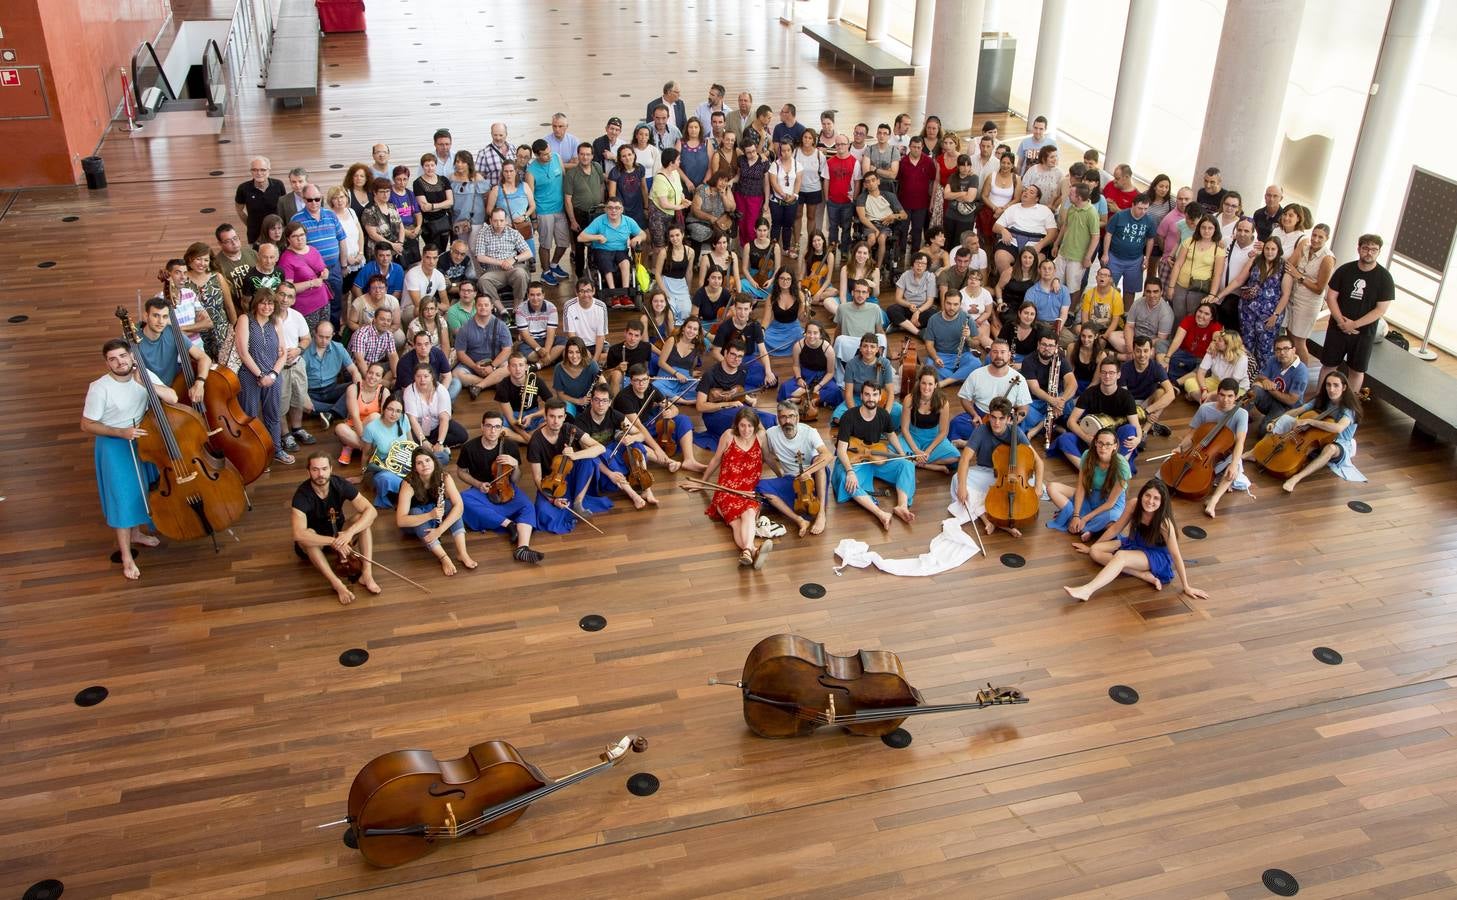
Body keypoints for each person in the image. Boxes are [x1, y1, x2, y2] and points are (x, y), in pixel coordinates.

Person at [81, 339, 180, 581]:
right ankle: (126, 557)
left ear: (132, 356)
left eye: (123, 356)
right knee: (122, 498)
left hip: (143, 440)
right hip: (115, 444)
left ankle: (136, 534)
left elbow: (173, 398)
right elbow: (86, 424)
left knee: (143, 491)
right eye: (113, 359)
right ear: (107, 362)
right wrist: (120, 433)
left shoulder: (143, 375)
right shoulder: (99, 388)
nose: (119, 362)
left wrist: (147, 384)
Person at [1063, 479, 1207, 604]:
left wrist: (1186, 586)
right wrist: (1091, 547)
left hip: (1155, 555)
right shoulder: (1133, 504)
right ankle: (1142, 574)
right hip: (1134, 543)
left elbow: (1175, 555)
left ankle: (1087, 590)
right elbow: (1115, 529)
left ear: (1162, 502)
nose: (1150, 501)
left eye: (1156, 498)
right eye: (1147, 495)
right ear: (1142, 494)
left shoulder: (1164, 523)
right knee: (1095, 551)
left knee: (1121, 557)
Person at [683, 407, 774, 567]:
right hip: (727, 491)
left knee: (748, 514)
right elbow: (715, 460)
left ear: (755, 426)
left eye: (750, 426)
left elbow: (768, 458)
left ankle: (748, 551)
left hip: (749, 491)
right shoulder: (728, 436)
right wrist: (702, 483)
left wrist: (782, 476)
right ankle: (751, 549)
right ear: (736, 425)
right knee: (736, 522)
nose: (746, 430)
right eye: (743, 425)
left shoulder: (760, 436)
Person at [1251, 370, 1366, 493]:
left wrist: (1311, 421)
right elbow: (1297, 411)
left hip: (1339, 442)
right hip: (1318, 435)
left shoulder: (1349, 409)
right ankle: (1254, 452)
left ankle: (1297, 478)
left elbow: (1338, 428)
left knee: (1330, 449)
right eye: (1328, 385)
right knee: (1286, 420)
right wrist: (1276, 420)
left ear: (1344, 387)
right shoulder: (1322, 399)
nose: (1331, 389)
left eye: (1336, 385)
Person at [291, 452, 382, 605]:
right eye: (315, 469)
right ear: (308, 472)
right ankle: (336, 583)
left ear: (331, 469)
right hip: (318, 541)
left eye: (324, 469)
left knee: (362, 519)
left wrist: (349, 533)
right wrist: (334, 541)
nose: (320, 474)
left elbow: (371, 511)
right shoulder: (302, 495)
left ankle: (366, 573)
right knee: (308, 536)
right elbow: (298, 534)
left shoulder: (339, 484)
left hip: (338, 532)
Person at [453, 410, 544, 562]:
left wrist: (515, 465)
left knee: (528, 506)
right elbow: (460, 472)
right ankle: (509, 524)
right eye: (489, 426)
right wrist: (478, 484)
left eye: (497, 427)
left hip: (507, 487)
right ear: (482, 426)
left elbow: (516, 478)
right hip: (482, 490)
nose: (493, 431)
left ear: (502, 428)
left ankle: (522, 547)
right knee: (463, 499)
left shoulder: (510, 446)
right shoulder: (469, 448)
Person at [952, 395, 1044, 537]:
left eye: (1001, 419)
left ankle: (991, 515)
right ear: (989, 416)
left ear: (1008, 419)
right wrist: (962, 487)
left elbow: (1039, 462)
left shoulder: (1016, 432)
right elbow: (965, 459)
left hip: (1012, 475)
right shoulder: (981, 430)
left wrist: (1037, 487)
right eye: (993, 417)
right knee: (957, 480)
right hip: (986, 473)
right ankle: (990, 520)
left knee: (1040, 487)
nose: (996, 423)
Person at [833, 382, 917, 530]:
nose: (870, 398)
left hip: (874, 458)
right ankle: (880, 514)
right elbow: (841, 450)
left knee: (907, 464)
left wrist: (902, 455)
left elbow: (891, 436)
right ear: (861, 396)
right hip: (854, 460)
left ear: (879, 397)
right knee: (846, 480)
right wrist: (850, 471)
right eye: (867, 394)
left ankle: (902, 506)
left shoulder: (883, 414)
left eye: (874, 394)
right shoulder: (849, 416)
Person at [1319, 234, 1394, 397]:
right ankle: (1321, 400)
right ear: (1359, 249)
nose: (1369, 252)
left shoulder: (1384, 278)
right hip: (1337, 328)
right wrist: (1341, 322)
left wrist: (1354, 324)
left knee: (1357, 370)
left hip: (1364, 333)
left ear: (1379, 252)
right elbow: (1331, 296)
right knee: (1329, 365)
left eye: (1374, 249)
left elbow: (1380, 310)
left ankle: (1348, 407)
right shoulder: (1345, 270)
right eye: (1366, 248)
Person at [527, 400, 611, 532]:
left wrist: (575, 455)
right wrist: (552, 500)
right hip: (550, 483)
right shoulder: (535, 442)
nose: (556, 421)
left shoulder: (568, 428)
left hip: (571, 475)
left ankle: (578, 501)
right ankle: (563, 501)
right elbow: (537, 478)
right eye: (552, 416)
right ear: (545, 416)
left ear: (564, 417)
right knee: (543, 514)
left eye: (560, 417)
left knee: (591, 459)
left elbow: (600, 448)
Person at [755, 400, 833, 537]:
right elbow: (767, 457)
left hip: (813, 477)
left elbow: (828, 455)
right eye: (783, 417)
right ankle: (799, 520)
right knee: (760, 486)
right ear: (778, 419)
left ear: (797, 417)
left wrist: (808, 472)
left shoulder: (809, 432)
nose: (787, 421)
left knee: (819, 462)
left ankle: (821, 514)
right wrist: (780, 475)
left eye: (791, 416)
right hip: (791, 478)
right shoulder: (771, 434)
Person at [394, 447, 476, 575]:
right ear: (415, 467)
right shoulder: (408, 483)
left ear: (434, 461)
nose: (424, 465)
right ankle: (444, 558)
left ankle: (462, 553)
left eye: (427, 460)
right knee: (415, 511)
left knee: (453, 507)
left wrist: (440, 530)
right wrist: (430, 515)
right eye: (419, 463)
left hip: (436, 518)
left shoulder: (444, 477)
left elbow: (459, 506)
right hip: (415, 523)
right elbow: (401, 521)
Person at [1053, 356, 1142, 470]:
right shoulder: (1089, 393)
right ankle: (1086, 470)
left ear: (1118, 375)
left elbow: (1136, 425)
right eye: (1104, 372)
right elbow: (1071, 422)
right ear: (1099, 374)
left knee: (1130, 430)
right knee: (1064, 439)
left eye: (1111, 373)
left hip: (1114, 443)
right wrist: (1086, 438)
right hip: (1092, 440)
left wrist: (1138, 439)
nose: (1107, 376)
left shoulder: (1126, 396)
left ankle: (1117, 467)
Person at [1180, 378, 1253, 518]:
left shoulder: (1242, 414)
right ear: (1217, 394)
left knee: (1234, 467)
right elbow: (1191, 434)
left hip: (1225, 454)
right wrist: (1180, 448)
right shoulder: (1205, 409)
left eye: (1230, 396)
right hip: (1202, 450)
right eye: (1222, 395)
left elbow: (1240, 442)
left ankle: (1213, 501)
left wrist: (1233, 464)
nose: (1225, 400)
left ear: (1236, 397)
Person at [235, 288, 292, 465]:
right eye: (263, 302)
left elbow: (283, 353)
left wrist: (273, 374)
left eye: (270, 303)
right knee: (250, 415)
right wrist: (260, 375)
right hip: (249, 375)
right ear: (256, 303)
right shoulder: (245, 319)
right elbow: (243, 352)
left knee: (273, 415)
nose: (267, 306)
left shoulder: (276, 322)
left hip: (273, 375)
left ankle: (276, 450)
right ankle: (253, 453)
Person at [614, 363, 703, 473]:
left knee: (682, 419)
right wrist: (658, 449)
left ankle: (689, 460)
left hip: (648, 425)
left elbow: (674, 407)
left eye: (644, 379)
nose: (641, 384)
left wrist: (671, 413)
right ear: (631, 381)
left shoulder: (651, 389)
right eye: (637, 380)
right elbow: (639, 427)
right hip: (631, 431)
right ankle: (667, 462)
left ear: (649, 379)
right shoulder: (624, 398)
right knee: (634, 443)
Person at [1046, 427, 1129, 541]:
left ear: (1115, 446)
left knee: (1112, 521)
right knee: (1052, 487)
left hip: (1111, 504)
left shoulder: (1122, 466)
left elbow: (1110, 503)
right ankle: (1086, 525)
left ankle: (1085, 526)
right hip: (1091, 496)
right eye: (1100, 443)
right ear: (1095, 442)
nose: (1103, 448)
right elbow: (1081, 487)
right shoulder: (1087, 456)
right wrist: (1076, 515)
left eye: (1108, 444)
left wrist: (1084, 519)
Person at [695, 340, 776, 448]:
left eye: (740, 356)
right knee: (748, 418)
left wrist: (747, 399)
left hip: (736, 409)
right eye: (733, 354)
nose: (736, 359)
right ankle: (760, 446)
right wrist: (728, 404)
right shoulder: (710, 374)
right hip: (714, 415)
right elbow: (700, 406)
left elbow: (735, 393)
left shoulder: (742, 371)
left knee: (770, 418)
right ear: (725, 353)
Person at [950, 338, 1030, 442]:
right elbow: (965, 398)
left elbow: (1024, 408)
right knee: (957, 423)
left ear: (1009, 355)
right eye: (995, 352)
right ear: (990, 354)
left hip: (1004, 418)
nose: (999, 356)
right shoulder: (977, 374)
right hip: (981, 415)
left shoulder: (1019, 379)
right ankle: (985, 441)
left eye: (1003, 352)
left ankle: (972, 443)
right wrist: (974, 414)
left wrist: (1009, 423)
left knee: (1015, 432)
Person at [1284, 223, 1335, 368]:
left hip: (1309, 302)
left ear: (1327, 239)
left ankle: (1303, 374)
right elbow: (1289, 265)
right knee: (1290, 336)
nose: (1316, 239)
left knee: (1299, 340)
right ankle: (1290, 368)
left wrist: (1299, 276)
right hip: (1294, 296)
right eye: (1314, 235)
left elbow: (1319, 288)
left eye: (1320, 237)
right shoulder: (1305, 247)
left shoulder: (1327, 259)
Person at [1237, 236, 1293, 369]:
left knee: (1265, 349)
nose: (1269, 252)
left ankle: (1263, 380)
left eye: (1273, 249)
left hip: (1269, 314)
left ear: (1278, 250)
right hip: (1248, 311)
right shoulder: (1256, 261)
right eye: (1267, 248)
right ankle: (1246, 376)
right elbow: (1240, 280)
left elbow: (1286, 295)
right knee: (1247, 345)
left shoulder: (1284, 267)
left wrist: (1276, 315)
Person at [578, 198, 646, 294]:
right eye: (610, 208)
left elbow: (643, 234)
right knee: (606, 262)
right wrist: (598, 237)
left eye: (617, 208)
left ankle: (625, 293)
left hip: (621, 251)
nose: (613, 211)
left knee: (626, 263)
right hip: (602, 250)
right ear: (605, 209)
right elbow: (580, 237)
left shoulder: (628, 221)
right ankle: (612, 292)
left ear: (621, 210)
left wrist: (637, 238)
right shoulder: (599, 221)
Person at [901, 366, 960, 475]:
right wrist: (916, 450)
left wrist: (928, 451)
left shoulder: (943, 402)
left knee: (955, 457)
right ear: (919, 383)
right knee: (894, 454)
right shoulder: (909, 399)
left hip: (933, 438)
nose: (926, 387)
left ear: (936, 385)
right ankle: (932, 466)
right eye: (924, 383)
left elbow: (943, 432)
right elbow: (904, 429)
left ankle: (921, 464)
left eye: (930, 384)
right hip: (912, 436)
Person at [1020, 327, 1077, 439]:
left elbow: (1073, 384)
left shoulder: (1060, 359)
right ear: (1038, 345)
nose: (1047, 348)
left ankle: (1038, 429)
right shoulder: (1028, 361)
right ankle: (1053, 425)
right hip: (1035, 402)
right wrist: (1054, 402)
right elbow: (1034, 389)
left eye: (1051, 346)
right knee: (1024, 411)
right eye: (1044, 345)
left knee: (1069, 400)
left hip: (1057, 400)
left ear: (1056, 347)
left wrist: (1061, 401)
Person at [712, 294, 778, 391]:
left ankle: (738, 384)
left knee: (772, 381)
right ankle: (739, 384)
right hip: (729, 360)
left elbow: (763, 352)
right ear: (734, 308)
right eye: (739, 309)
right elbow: (715, 352)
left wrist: (768, 371)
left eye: (746, 309)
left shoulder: (755, 325)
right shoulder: (724, 327)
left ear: (751, 309)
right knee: (733, 377)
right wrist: (729, 363)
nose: (742, 313)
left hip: (748, 360)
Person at [1168, 215, 1226, 322]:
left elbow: (1217, 274)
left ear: (1215, 229)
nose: (1206, 231)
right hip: (1181, 285)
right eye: (1203, 227)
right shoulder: (1189, 241)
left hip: (1200, 289)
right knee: (1177, 316)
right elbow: (1178, 264)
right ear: (1199, 228)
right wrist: (1171, 286)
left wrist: (1212, 295)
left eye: (1210, 228)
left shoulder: (1218, 249)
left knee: (1193, 318)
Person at [452, 295, 513, 398]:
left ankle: (479, 386)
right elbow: (460, 353)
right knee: (456, 374)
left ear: (492, 307)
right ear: (475, 307)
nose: (483, 308)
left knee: (509, 368)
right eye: (480, 305)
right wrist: (474, 367)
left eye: (486, 305)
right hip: (473, 365)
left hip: (495, 364)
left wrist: (492, 366)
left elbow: (507, 350)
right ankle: (494, 383)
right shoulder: (465, 328)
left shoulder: (501, 325)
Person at [402, 367, 466, 463]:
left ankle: (433, 448)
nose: (422, 379)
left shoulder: (441, 390)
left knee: (462, 435)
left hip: (437, 426)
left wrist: (439, 442)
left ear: (432, 377)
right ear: (414, 377)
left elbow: (444, 419)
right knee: (412, 444)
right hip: (417, 430)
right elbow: (412, 420)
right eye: (418, 376)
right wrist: (423, 441)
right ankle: (434, 451)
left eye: (426, 376)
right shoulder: (409, 391)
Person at [473, 208, 533, 309]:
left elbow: (528, 253)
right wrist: (501, 262)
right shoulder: (483, 233)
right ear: (490, 221)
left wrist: (513, 259)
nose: (498, 223)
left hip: (513, 268)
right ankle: (502, 310)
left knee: (521, 274)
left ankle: (517, 308)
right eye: (495, 221)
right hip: (494, 271)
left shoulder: (513, 233)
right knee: (483, 281)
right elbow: (480, 257)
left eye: (501, 220)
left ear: (506, 220)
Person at [1119, 336, 1176, 438]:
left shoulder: (1157, 368)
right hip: (1129, 405)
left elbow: (1171, 394)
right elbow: (1124, 398)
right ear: (1133, 351)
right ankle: (1150, 426)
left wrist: (1146, 412)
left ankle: (1144, 431)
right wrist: (1138, 413)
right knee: (1126, 426)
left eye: (1145, 351)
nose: (1142, 355)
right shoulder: (1124, 368)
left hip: (1147, 404)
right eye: (1138, 351)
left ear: (1151, 351)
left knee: (1162, 392)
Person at [332, 361, 387, 465]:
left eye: (377, 375)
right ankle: (369, 450)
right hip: (353, 427)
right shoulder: (353, 388)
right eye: (370, 373)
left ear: (381, 379)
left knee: (376, 416)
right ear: (366, 373)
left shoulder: (384, 391)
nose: (372, 377)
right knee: (339, 428)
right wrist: (364, 439)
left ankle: (349, 446)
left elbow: (384, 419)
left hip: (372, 430)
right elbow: (355, 416)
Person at [920, 288, 978, 387]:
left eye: (956, 304)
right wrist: (936, 357)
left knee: (975, 363)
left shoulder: (967, 319)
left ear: (960, 304)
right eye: (949, 303)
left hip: (962, 356)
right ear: (944, 302)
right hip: (941, 356)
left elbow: (976, 343)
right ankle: (960, 377)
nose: (952, 307)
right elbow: (929, 345)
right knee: (930, 366)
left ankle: (945, 382)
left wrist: (968, 338)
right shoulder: (933, 320)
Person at [1101, 193, 1153, 300]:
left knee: (1130, 290)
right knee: (1108, 285)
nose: (1143, 212)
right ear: (1133, 205)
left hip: (1135, 260)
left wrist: (1147, 258)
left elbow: (1150, 239)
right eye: (1140, 208)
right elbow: (1108, 234)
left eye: (1145, 209)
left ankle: (1126, 313)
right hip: (1115, 257)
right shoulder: (1119, 216)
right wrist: (1105, 254)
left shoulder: (1149, 221)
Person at [1053, 184, 1099, 304]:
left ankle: (1071, 311)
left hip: (1077, 258)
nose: (1068, 194)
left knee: (1074, 287)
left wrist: (1087, 257)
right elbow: (1065, 226)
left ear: (1079, 197)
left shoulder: (1092, 213)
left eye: (1072, 193)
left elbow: (1095, 237)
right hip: (1063, 253)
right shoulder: (1072, 208)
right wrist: (1056, 244)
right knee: (1055, 282)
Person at [853, 172, 908, 271]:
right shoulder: (862, 197)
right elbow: (862, 218)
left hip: (885, 224)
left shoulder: (889, 196)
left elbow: (904, 215)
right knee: (871, 239)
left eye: (873, 180)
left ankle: (878, 267)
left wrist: (893, 216)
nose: (871, 183)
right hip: (870, 224)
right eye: (868, 182)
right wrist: (875, 229)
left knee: (882, 239)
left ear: (878, 181)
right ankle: (863, 263)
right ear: (865, 185)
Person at [1161, 301, 1223, 383]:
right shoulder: (1189, 319)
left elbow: (1217, 336)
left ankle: (1176, 383)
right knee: (1160, 343)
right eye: (1200, 311)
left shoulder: (1215, 325)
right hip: (1183, 354)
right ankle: (1162, 371)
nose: (1201, 316)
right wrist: (1167, 357)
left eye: (1206, 314)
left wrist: (1214, 341)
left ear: (1212, 317)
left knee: (1206, 369)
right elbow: (1177, 339)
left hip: (1199, 359)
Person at [1180, 330, 1250, 402]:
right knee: (1189, 382)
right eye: (1217, 339)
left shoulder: (1242, 358)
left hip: (1235, 387)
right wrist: (1204, 389)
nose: (1215, 342)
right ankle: (1212, 403)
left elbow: (1232, 384)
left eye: (1220, 340)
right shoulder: (1213, 349)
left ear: (1228, 344)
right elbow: (1201, 372)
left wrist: (1210, 394)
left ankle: (1203, 400)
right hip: (1216, 381)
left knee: (1228, 397)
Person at [886, 251, 939, 336]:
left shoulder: (930, 277)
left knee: (934, 315)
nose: (920, 266)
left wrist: (918, 311)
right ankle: (918, 332)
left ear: (927, 266)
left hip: (923, 309)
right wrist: (909, 305)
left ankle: (901, 327)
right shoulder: (905, 275)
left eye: (923, 264)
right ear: (912, 264)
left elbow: (930, 301)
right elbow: (898, 298)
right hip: (907, 308)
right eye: (917, 262)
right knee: (891, 309)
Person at [236, 157, 286, 244]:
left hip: (276, 234)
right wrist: (250, 224)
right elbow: (239, 210)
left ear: (269, 170)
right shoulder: (243, 188)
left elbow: (284, 207)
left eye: (263, 170)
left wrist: (280, 228)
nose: (259, 173)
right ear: (251, 171)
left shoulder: (278, 185)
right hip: (255, 235)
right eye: (255, 170)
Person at [397, 330, 456, 401]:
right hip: (414, 394)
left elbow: (447, 376)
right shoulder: (404, 362)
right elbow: (407, 390)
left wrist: (439, 394)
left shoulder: (438, 353)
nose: (423, 348)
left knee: (456, 383)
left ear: (431, 345)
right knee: (401, 397)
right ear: (414, 346)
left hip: (434, 390)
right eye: (419, 344)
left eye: (426, 344)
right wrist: (426, 400)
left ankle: (441, 403)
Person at [1123, 277, 1174, 357]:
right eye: (1148, 291)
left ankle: (1122, 356)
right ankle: (1132, 355)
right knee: (1113, 337)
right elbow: (1129, 326)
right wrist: (1130, 349)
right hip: (1135, 339)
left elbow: (1161, 339)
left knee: (1152, 353)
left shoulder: (1166, 312)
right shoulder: (1138, 303)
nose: (1152, 295)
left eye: (1155, 292)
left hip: (1150, 344)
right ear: (1145, 292)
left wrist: (1140, 346)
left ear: (1161, 292)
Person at [349, 306, 401, 385]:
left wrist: (396, 377)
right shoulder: (362, 333)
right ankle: (382, 385)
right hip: (356, 368)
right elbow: (359, 360)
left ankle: (382, 384)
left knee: (398, 366)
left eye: (388, 320)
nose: (385, 323)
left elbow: (393, 356)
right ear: (374, 319)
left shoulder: (388, 334)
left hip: (375, 366)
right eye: (382, 319)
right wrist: (371, 379)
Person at [1078, 267, 1125, 352]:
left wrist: (1104, 336)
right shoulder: (1089, 294)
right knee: (1078, 329)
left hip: (1108, 328)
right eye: (1100, 275)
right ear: (1096, 278)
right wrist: (1089, 333)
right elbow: (1084, 316)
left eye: (1106, 275)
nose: (1102, 277)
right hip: (1092, 326)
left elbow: (1115, 321)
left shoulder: (1116, 296)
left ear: (1110, 279)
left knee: (1102, 342)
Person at [761, 268, 805, 358]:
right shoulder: (771, 297)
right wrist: (762, 330)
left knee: (802, 338)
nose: (785, 281)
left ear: (792, 281)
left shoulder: (799, 295)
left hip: (793, 327)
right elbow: (766, 319)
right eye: (782, 278)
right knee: (761, 339)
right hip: (776, 327)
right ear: (777, 279)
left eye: (788, 279)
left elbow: (801, 318)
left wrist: (805, 309)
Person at [740, 218, 780, 299]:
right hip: (753, 276)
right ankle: (764, 296)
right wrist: (752, 281)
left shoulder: (775, 246)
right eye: (759, 230)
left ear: (768, 230)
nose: (762, 233)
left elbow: (777, 267)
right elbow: (744, 268)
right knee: (741, 283)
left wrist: (771, 280)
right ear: (755, 229)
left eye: (765, 230)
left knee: (779, 286)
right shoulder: (748, 246)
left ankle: (753, 295)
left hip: (768, 278)